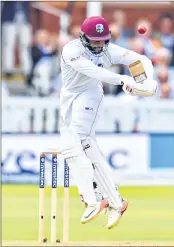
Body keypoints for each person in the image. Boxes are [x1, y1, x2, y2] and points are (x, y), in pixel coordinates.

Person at [60, 16, 157, 229]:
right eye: (94, 40)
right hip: (68, 97)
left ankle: (92, 199)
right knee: (79, 147)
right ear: (83, 37)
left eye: (102, 40)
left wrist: (145, 81)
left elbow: (141, 60)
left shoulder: (109, 50)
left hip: (90, 94)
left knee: (76, 143)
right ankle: (114, 200)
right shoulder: (71, 51)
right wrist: (124, 80)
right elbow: (94, 71)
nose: (98, 45)